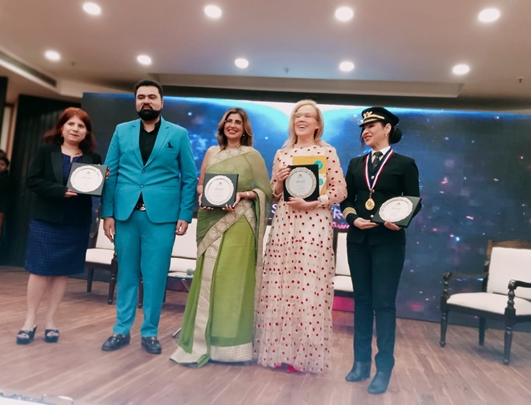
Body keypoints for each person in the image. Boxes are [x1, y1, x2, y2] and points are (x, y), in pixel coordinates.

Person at [101, 79, 197, 355]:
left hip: (162, 218)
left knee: (155, 277)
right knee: (127, 274)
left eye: (152, 97)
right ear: (136, 101)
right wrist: (107, 213)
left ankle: (150, 332)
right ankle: (121, 330)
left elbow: (189, 177)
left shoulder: (178, 134)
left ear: (161, 102)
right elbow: (110, 173)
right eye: (141, 96)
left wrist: (185, 214)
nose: (146, 101)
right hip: (125, 214)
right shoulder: (122, 131)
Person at [170, 108, 272, 366]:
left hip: (240, 222)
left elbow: (265, 191)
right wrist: (204, 195)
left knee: (232, 280)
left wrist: (242, 195)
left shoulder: (252, 155)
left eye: (238, 122)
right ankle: (203, 340)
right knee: (209, 277)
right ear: (222, 126)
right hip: (211, 218)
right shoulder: (212, 152)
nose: (233, 125)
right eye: (229, 121)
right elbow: (201, 184)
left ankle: (230, 345)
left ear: (245, 128)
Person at [254, 100, 347, 373]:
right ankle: (277, 351)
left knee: (307, 288)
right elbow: (274, 195)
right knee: (280, 286)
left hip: (314, 223)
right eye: (297, 115)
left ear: (317, 124)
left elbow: (340, 191)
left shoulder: (327, 152)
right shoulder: (282, 154)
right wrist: (279, 181)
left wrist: (315, 203)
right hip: (285, 224)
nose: (301, 119)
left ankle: (301, 356)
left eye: (308, 116)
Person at [340, 107, 421, 394]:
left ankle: (383, 368)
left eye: (371, 125)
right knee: (361, 301)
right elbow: (346, 200)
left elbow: (414, 200)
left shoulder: (405, 163)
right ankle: (360, 363)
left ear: (387, 128)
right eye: (363, 127)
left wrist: (401, 220)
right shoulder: (355, 163)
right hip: (358, 240)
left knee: (383, 304)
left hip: (388, 241)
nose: (366, 131)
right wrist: (353, 218)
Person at [17, 107, 101, 344]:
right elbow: (32, 181)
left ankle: (51, 322)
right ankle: (29, 321)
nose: (75, 129)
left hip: (75, 223)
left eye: (81, 126)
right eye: (71, 124)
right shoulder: (46, 151)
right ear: (61, 128)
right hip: (45, 220)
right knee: (39, 271)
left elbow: (93, 190)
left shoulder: (93, 159)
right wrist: (60, 191)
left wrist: (102, 181)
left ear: (87, 132)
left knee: (62, 272)